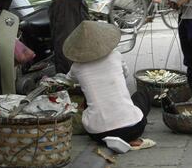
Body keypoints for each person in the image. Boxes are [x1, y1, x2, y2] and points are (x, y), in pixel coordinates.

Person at [64, 21, 155, 150]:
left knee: (88, 97)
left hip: (99, 134)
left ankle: (116, 137)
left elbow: (68, 80)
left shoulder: (77, 67)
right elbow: (125, 74)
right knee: (142, 94)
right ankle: (130, 139)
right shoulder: (115, 56)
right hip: (134, 129)